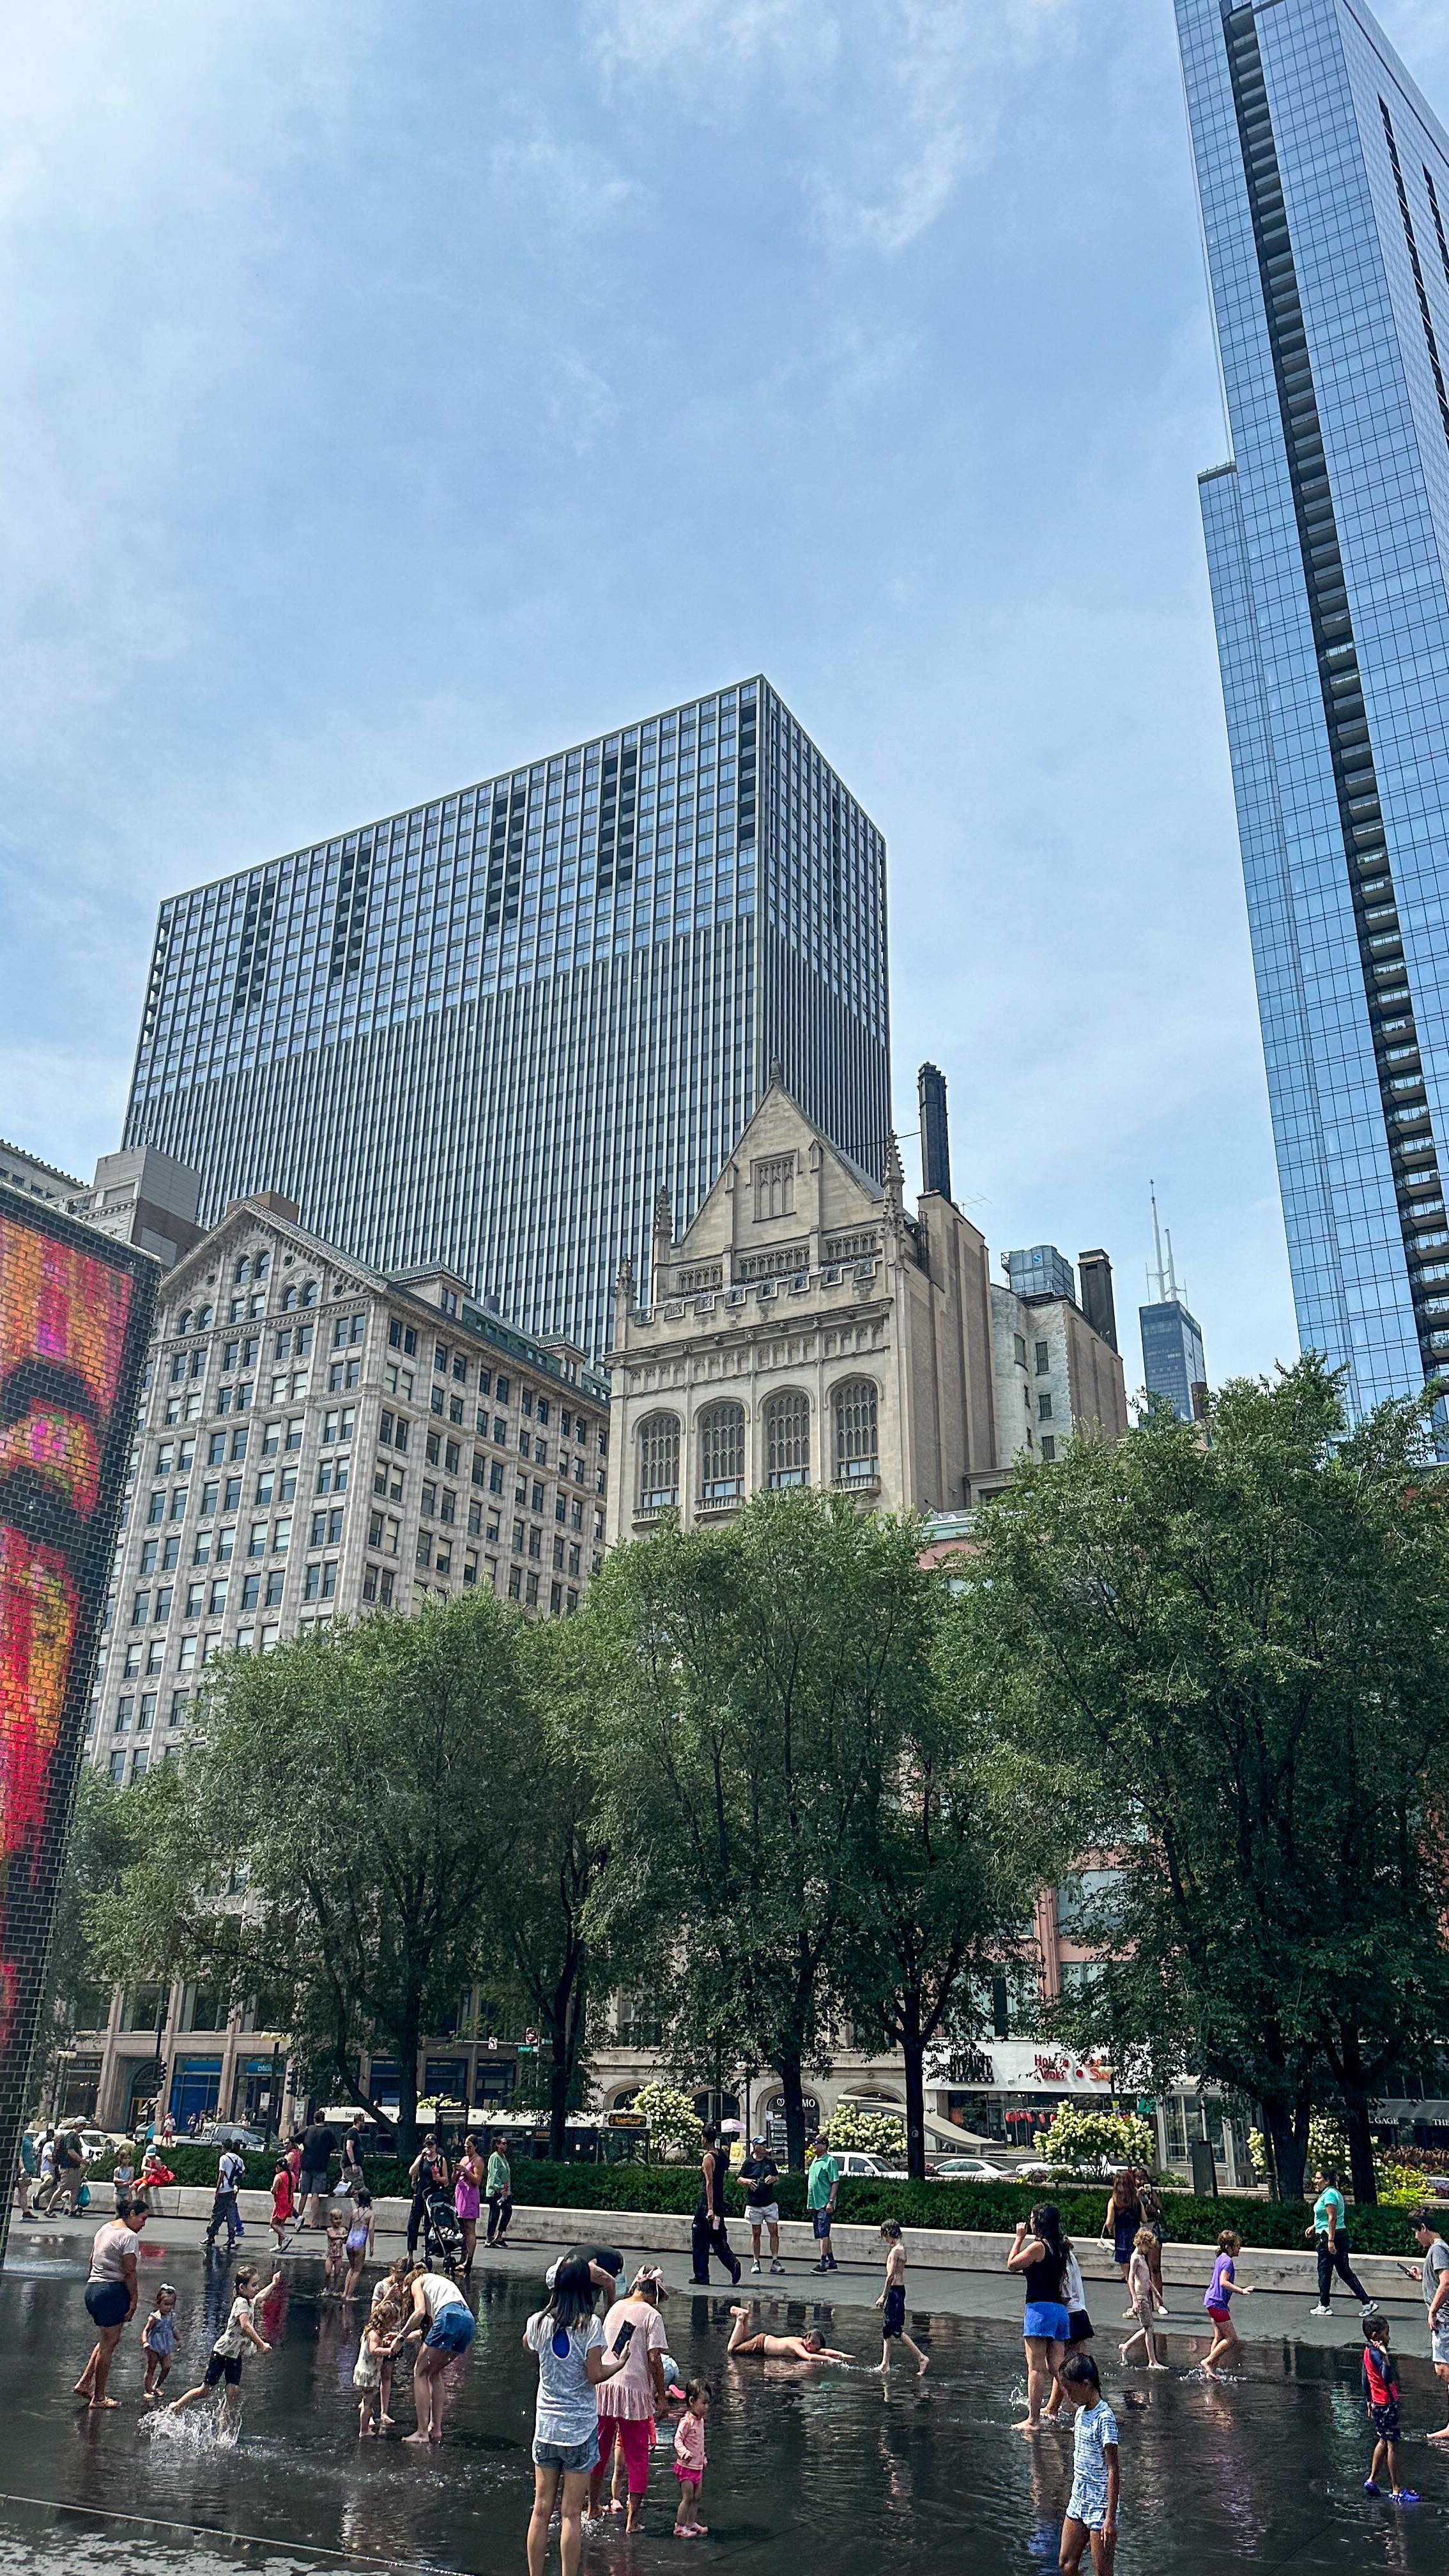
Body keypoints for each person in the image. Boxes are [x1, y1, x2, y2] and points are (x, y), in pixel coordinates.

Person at [523, 2255, 628, 2576]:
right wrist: (620, 2363)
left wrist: (548, 2311)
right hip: (579, 2431)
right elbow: (595, 2374)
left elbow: (527, 2344)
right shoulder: (590, 2325)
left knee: (541, 2510)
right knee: (570, 2514)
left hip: (546, 2429)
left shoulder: (538, 2322)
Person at [589, 2265, 670, 2534]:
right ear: (653, 2293)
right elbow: (654, 2360)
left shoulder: (616, 2307)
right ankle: (632, 2521)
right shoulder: (652, 2315)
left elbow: (606, 2348)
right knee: (637, 2456)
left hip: (605, 2386)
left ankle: (592, 2507)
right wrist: (661, 2397)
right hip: (634, 2392)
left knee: (599, 2450)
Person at [167, 2262, 280, 2426]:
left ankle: (223, 2421)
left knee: (233, 2390)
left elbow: (261, 2296)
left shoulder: (249, 2301)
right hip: (222, 2353)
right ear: (242, 2288)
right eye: (254, 2285)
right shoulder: (241, 2303)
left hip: (235, 2354)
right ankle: (177, 2406)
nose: (257, 2288)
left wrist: (273, 2283)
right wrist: (261, 2344)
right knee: (206, 2390)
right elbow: (245, 2326)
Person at [74, 2194, 146, 2409]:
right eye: (143, 2219)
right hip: (112, 2291)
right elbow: (130, 2271)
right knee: (108, 2345)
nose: (144, 2224)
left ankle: (85, 2382)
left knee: (107, 2340)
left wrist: (94, 2284)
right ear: (131, 2214)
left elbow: (92, 2259)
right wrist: (134, 2300)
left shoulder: (105, 2228)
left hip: (94, 2288)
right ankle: (99, 2398)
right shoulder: (128, 2236)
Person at [1008, 2203, 1071, 2434]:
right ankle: (1085, 2409)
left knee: (1035, 2368)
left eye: (1032, 2218)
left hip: (1039, 2311)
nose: (1029, 2222)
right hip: (1059, 2311)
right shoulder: (1061, 2247)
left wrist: (1019, 2238)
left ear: (1039, 2222)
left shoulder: (1038, 2247)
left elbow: (1012, 2265)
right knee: (1059, 2369)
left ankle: (1033, 2420)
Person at [399, 2262, 476, 2447]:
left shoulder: (417, 2282)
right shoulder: (438, 2282)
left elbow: (420, 2312)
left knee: (420, 2371)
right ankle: (436, 2428)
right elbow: (431, 2331)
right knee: (434, 2372)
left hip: (449, 2317)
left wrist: (400, 2337)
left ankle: (421, 2432)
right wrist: (405, 2336)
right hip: (468, 2322)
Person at [1058, 2352, 1119, 2576]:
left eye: (1070, 2389)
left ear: (1086, 2384)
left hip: (1100, 2505)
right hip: (1079, 2498)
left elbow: (1113, 2469)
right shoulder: (1081, 2413)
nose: (1068, 2395)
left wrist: (1110, 2518)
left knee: (1102, 2572)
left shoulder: (1105, 2418)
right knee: (1066, 2564)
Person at [1400, 2207, 1449, 2441]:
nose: (1415, 2237)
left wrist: (1433, 2310)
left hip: (1444, 2319)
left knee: (1444, 2370)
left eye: (1415, 2232)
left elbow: (1446, 2283)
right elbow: (1439, 2281)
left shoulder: (1438, 2249)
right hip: (1443, 2318)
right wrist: (1421, 2277)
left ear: (1423, 2228)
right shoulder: (1437, 2250)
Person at [1306, 2167, 1377, 2320]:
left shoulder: (1330, 2195)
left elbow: (1332, 2218)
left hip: (1329, 2236)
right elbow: (1326, 2217)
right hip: (1336, 2234)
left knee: (1324, 2271)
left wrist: (1330, 2241)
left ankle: (1324, 2305)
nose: (1315, 2181)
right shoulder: (1332, 2193)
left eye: (1318, 2178)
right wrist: (1314, 2226)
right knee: (1344, 2271)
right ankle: (1367, 2302)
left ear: (1327, 2181)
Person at [1361, 2314, 1418, 2503]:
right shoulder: (1378, 2354)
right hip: (1386, 2404)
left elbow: (1365, 2376)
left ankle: (1372, 2480)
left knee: (1383, 2440)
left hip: (1377, 2403)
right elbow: (1387, 2377)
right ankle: (1397, 2489)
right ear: (1376, 2335)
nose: (1389, 2337)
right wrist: (1386, 2358)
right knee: (1392, 2445)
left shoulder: (1367, 2351)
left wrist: (1368, 2399)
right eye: (1386, 2333)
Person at [871, 2220, 928, 2377]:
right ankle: (885, 2364)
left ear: (888, 2233)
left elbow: (890, 2276)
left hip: (894, 2291)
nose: (885, 2239)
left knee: (896, 2330)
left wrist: (883, 2296)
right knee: (887, 2328)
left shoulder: (895, 2252)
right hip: (899, 2290)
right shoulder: (902, 2249)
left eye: (884, 2236)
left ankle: (921, 2357)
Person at [691, 2128, 740, 2286]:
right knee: (717, 2236)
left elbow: (709, 2183)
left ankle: (701, 2275)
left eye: (702, 2137)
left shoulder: (708, 2158)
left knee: (699, 2237)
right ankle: (732, 2263)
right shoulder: (721, 2156)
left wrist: (710, 2208)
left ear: (705, 2139)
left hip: (708, 2205)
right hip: (719, 2203)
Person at [1202, 2228, 1254, 2375]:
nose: (1239, 2248)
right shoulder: (1228, 2261)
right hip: (1217, 2303)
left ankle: (1211, 2370)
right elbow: (1223, 2282)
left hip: (1212, 2301)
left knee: (1219, 2337)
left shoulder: (1221, 2258)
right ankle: (1208, 2361)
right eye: (1237, 2246)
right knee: (1232, 2338)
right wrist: (1241, 2290)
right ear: (1228, 2247)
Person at [726, 2305, 851, 2363]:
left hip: (763, 2340)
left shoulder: (802, 2341)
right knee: (732, 2350)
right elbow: (809, 2357)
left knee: (741, 2342)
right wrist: (830, 2360)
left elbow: (825, 2351)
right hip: (759, 2345)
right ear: (809, 2344)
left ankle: (745, 2317)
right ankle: (740, 2318)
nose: (818, 2351)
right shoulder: (796, 2346)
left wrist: (844, 2355)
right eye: (816, 2348)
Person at [371, 2259, 412, 2426]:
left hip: (395, 2336)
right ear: (392, 2271)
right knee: (373, 2373)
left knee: (387, 2374)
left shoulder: (406, 2288)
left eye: (403, 2279)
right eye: (398, 2278)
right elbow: (373, 2314)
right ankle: (368, 2409)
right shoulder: (381, 2286)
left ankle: (384, 2412)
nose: (400, 2282)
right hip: (379, 2334)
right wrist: (388, 2297)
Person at [1119, 2228, 1167, 2372]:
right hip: (1140, 2297)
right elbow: (1131, 2279)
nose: (1149, 2250)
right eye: (1148, 2247)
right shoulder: (1135, 2258)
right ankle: (1152, 2361)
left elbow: (1147, 2279)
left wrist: (1157, 2294)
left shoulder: (1142, 2257)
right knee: (1149, 2328)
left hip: (1145, 2296)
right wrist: (1135, 2300)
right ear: (1142, 2243)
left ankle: (1126, 2346)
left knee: (1148, 2328)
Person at [738, 2135, 783, 2274]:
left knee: (774, 2231)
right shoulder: (748, 2162)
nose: (764, 2147)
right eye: (761, 2144)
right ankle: (756, 2261)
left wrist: (774, 2178)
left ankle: (775, 2260)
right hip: (754, 2203)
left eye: (765, 2144)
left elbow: (778, 2177)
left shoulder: (770, 2162)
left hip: (769, 2202)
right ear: (755, 2147)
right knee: (756, 2232)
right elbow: (739, 2178)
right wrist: (747, 2181)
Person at [672, 2380, 710, 2539]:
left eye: (708, 2403)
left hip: (697, 2467)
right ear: (692, 2401)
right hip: (686, 2467)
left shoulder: (701, 2421)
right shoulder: (686, 2421)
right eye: (704, 2403)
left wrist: (703, 2458)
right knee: (687, 2498)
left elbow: (699, 2443)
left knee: (697, 2498)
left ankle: (691, 2522)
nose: (707, 2407)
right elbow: (677, 2439)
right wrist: (684, 2452)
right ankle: (680, 2527)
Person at [1100, 2171, 1143, 2308]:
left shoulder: (1114, 2201)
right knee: (1140, 2275)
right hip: (1137, 2241)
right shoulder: (1136, 2199)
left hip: (1122, 2241)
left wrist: (1110, 2230)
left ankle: (1135, 2304)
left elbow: (1109, 2222)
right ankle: (1145, 2302)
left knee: (1129, 2276)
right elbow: (1144, 2218)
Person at [354, 2309, 398, 2438]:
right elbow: (374, 2350)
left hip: (366, 2372)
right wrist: (389, 2350)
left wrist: (385, 2341)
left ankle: (366, 2425)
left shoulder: (370, 2331)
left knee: (368, 2401)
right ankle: (364, 2430)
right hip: (369, 2374)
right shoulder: (374, 2335)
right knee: (368, 2404)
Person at [406, 2132, 449, 2258]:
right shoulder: (421, 2158)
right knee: (413, 2223)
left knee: (429, 2225)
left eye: (432, 2145)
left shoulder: (441, 2160)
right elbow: (411, 2172)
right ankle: (410, 2253)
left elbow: (446, 2181)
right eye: (428, 2145)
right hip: (420, 2194)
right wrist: (421, 2157)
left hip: (432, 2195)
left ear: (436, 2146)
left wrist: (439, 2178)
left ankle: (427, 2251)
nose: (430, 2147)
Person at [806, 2131, 839, 2276]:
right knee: (822, 2233)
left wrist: (831, 2202)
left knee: (824, 2233)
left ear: (824, 2146)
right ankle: (831, 2262)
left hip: (824, 2204)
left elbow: (835, 2182)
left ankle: (822, 2263)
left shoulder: (830, 2161)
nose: (813, 2145)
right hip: (815, 2203)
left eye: (816, 2143)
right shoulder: (815, 2160)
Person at [1134, 2166, 1167, 2312]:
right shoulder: (1132, 2194)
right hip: (1139, 2232)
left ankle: (1160, 2302)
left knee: (1154, 2268)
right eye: (1138, 2178)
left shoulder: (1151, 2193)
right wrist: (1137, 2195)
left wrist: (1155, 2210)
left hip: (1152, 2230)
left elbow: (1161, 2212)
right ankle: (1147, 2302)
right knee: (1141, 2269)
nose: (1142, 2182)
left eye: (1144, 2178)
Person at [204, 2142, 247, 2253]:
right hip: (233, 2191)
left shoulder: (224, 2158)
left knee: (216, 2214)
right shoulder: (239, 2159)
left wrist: (217, 2190)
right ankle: (231, 2238)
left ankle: (211, 2236)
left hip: (224, 2190)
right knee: (231, 2215)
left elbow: (221, 2174)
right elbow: (242, 2175)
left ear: (224, 2147)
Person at [141, 2284, 180, 2402]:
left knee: (167, 2367)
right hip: (154, 2346)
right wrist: (145, 2342)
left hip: (165, 2346)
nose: (168, 2308)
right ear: (158, 2303)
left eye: (171, 2305)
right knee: (151, 2367)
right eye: (166, 2304)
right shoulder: (155, 2317)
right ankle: (148, 2390)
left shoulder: (171, 2316)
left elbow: (173, 2328)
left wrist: (179, 2339)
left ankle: (156, 2386)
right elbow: (146, 2330)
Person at [454, 2134, 484, 2278]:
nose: (467, 2149)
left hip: (470, 2196)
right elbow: (454, 2180)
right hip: (460, 2195)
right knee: (461, 2228)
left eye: (470, 2147)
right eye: (465, 2147)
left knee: (469, 2228)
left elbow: (477, 2181)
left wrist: (466, 2171)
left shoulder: (478, 2160)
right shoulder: (464, 2159)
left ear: (475, 2147)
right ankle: (463, 2255)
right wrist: (456, 2171)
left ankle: (469, 2259)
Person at [298, 2115, 337, 2227]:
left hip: (306, 2164)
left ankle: (299, 2218)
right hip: (321, 2165)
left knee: (304, 2193)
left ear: (315, 2119)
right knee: (315, 2194)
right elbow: (334, 2147)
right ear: (324, 2119)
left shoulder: (309, 2129)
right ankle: (314, 2222)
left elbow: (295, 2139)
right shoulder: (328, 2132)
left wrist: (302, 2149)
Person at [343, 2188, 374, 2299]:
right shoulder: (370, 2214)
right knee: (357, 2270)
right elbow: (371, 2230)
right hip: (359, 2244)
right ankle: (349, 2296)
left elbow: (349, 2227)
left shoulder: (354, 2212)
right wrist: (371, 2246)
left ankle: (345, 2293)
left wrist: (346, 2239)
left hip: (350, 2243)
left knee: (351, 2268)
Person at [486, 2135, 513, 2248]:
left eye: (506, 2143)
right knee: (495, 2214)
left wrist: (506, 2190)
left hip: (505, 2192)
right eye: (503, 2143)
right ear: (497, 2145)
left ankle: (499, 2236)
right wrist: (501, 2188)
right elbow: (494, 2176)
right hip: (495, 2192)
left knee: (508, 2211)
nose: (506, 2145)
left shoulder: (503, 2158)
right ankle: (489, 2238)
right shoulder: (494, 2158)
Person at [323, 2204, 349, 2298]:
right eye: (336, 2219)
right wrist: (342, 2237)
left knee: (337, 2274)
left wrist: (347, 2238)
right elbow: (332, 2237)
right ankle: (326, 2288)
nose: (338, 2221)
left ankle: (335, 2290)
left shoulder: (343, 2230)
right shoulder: (329, 2230)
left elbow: (345, 2242)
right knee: (328, 2273)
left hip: (339, 2255)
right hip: (330, 2255)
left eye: (340, 2218)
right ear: (331, 2220)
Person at [340, 2114, 368, 2198]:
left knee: (349, 2189)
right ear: (359, 2122)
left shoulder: (354, 2132)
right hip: (351, 2165)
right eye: (363, 2121)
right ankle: (362, 2205)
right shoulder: (352, 2132)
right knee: (360, 2189)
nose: (364, 2124)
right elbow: (349, 2147)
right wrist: (354, 2163)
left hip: (349, 2165)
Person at [270, 2159, 295, 2252]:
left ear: (279, 2167)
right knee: (281, 2224)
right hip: (290, 2201)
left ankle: (285, 2237)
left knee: (273, 2224)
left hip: (281, 2202)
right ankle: (279, 2245)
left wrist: (272, 2189)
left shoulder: (279, 2176)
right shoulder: (292, 2175)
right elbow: (294, 2188)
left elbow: (274, 2190)